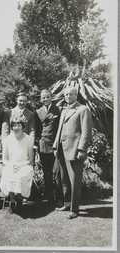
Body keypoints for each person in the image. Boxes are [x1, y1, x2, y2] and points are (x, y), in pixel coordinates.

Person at [53, 86, 92, 219]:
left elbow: (86, 132)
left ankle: (74, 210)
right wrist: (55, 146)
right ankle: (67, 203)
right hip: (61, 149)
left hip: (75, 150)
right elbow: (60, 129)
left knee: (74, 180)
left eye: (71, 94)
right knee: (63, 179)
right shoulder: (64, 110)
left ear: (76, 95)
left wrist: (81, 149)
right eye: (66, 95)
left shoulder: (83, 109)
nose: (68, 97)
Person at [0, 119, 34, 214]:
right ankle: (12, 201)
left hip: (24, 165)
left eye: (19, 125)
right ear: (11, 128)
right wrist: (11, 165)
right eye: (14, 126)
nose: (16, 128)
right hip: (10, 164)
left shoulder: (28, 139)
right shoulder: (7, 140)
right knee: (9, 175)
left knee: (20, 176)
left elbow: (30, 159)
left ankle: (19, 200)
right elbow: (4, 159)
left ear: (22, 127)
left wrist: (20, 165)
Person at [35, 89, 61, 204]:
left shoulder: (58, 110)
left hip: (55, 144)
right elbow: (37, 130)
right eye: (43, 97)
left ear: (51, 97)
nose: (45, 99)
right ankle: (49, 198)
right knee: (47, 173)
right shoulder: (38, 112)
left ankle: (60, 198)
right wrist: (36, 145)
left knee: (57, 172)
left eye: (47, 97)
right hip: (43, 145)